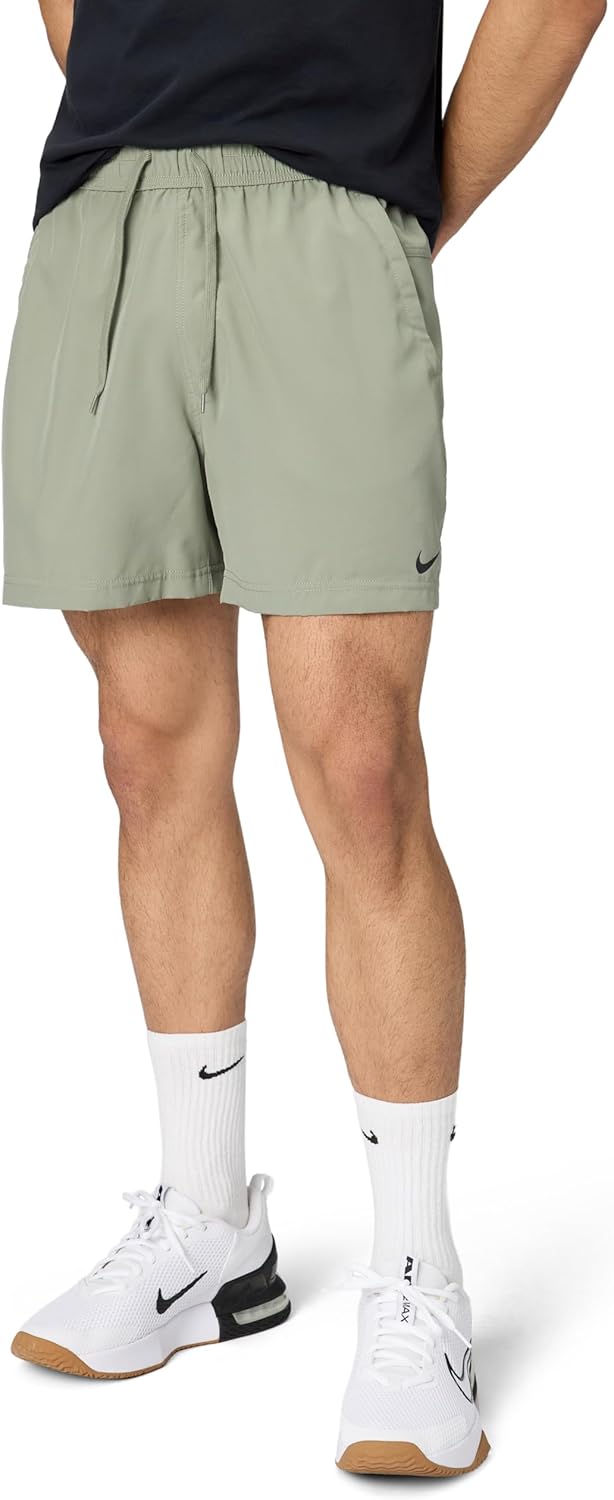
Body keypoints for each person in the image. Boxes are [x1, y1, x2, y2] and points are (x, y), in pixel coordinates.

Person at [2, 0, 605, 1477]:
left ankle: (416, 1276)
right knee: (144, 749)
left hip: (331, 202)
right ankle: (208, 1227)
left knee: (358, 763)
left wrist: (401, 201)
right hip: (108, 208)